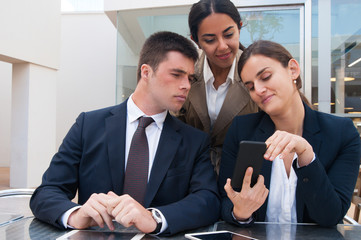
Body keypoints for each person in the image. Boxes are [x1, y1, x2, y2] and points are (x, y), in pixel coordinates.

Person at [30, 31, 220, 236]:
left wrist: (154, 218)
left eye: (190, 78)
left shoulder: (194, 140)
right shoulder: (88, 125)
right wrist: (76, 214)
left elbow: (208, 200)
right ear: (146, 72)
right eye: (176, 74)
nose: (186, 85)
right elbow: (46, 192)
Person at [219, 40, 361, 226]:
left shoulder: (341, 133)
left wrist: (306, 156)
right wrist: (240, 213)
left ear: (293, 69)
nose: (259, 90)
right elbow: (225, 200)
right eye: (251, 86)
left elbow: (330, 216)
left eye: (266, 76)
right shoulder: (242, 130)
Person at [174, 0, 258, 175]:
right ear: (196, 41)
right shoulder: (185, 72)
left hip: (241, 175)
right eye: (210, 39)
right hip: (189, 173)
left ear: (239, 28)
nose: (222, 46)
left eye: (229, 35)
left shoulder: (255, 73)